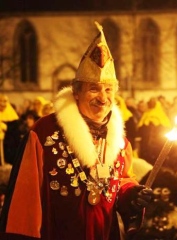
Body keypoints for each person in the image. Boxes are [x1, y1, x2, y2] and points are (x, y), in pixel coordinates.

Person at [0, 21, 153, 240]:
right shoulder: (44, 134)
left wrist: (131, 194)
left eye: (109, 90)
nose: (103, 98)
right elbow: (24, 204)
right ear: (76, 92)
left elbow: (120, 183)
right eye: (94, 89)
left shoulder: (120, 143)